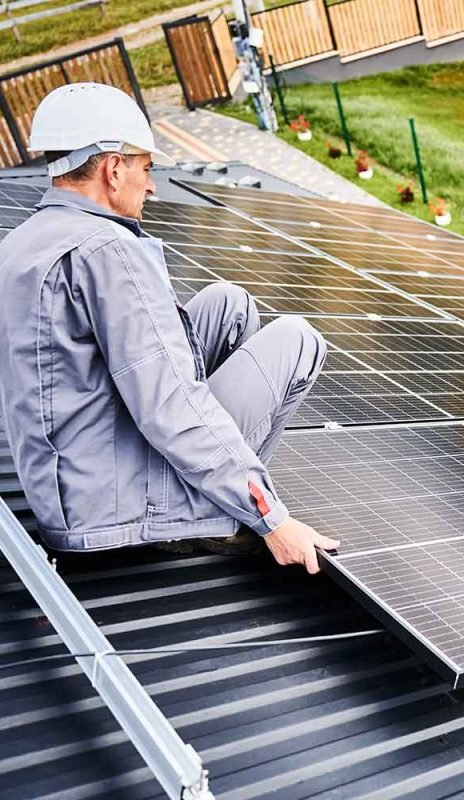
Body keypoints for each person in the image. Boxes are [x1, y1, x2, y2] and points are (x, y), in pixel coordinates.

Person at [0, 83, 339, 573]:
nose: (153, 185)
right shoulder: (106, 251)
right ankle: (223, 518)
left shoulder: (22, 241)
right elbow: (171, 403)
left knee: (230, 305)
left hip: (71, 482)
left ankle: (220, 484)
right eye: (146, 168)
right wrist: (271, 517)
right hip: (119, 509)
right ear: (114, 169)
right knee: (298, 339)